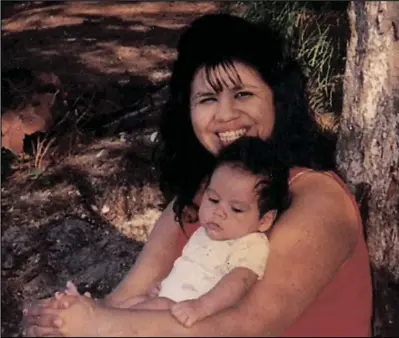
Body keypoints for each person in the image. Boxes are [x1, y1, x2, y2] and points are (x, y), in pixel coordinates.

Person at [24, 13, 373, 337]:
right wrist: (59, 318)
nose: (225, 115)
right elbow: (121, 303)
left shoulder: (317, 197)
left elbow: (252, 323)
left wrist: (100, 323)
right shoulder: (195, 199)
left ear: (278, 102)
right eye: (207, 99)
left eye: (243, 94)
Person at [58, 137, 291, 328]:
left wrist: (202, 307)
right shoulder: (206, 233)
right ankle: (87, 310)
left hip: (191, 316)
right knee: (133, 303)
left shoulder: (250, 243)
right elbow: (189, 269)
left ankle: (90, 319)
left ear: (264, 220)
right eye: (213, 199)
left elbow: (239, 282)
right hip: (169, 301)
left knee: (133, 317)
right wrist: (165, 284)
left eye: (236, 208)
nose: (218, 212)